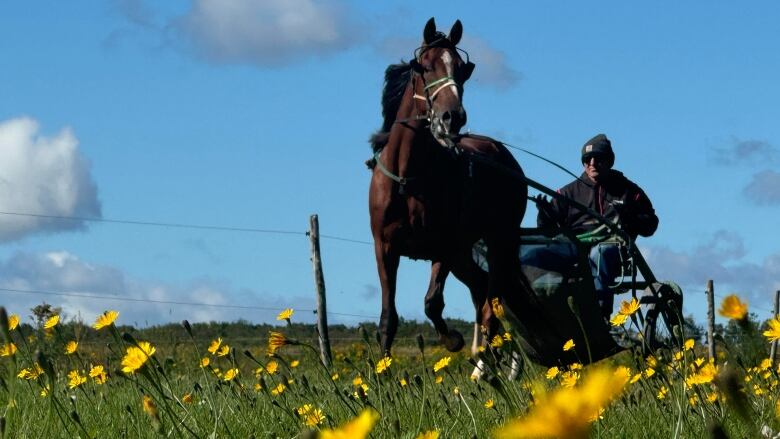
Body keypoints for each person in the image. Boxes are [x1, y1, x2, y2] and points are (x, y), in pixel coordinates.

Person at [535, 133, 659, 318]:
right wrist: (545, 214)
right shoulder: (567, 193)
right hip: (575, 248)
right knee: (536, 255)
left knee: (599, 254)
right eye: (587, 159)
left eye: (598, 158)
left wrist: (630, 216)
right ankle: (543, 310)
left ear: (609, 161)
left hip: (614, 250)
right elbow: (546, 230)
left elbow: (651, 225)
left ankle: (599, 316)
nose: (592, 163)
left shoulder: (629, 191)